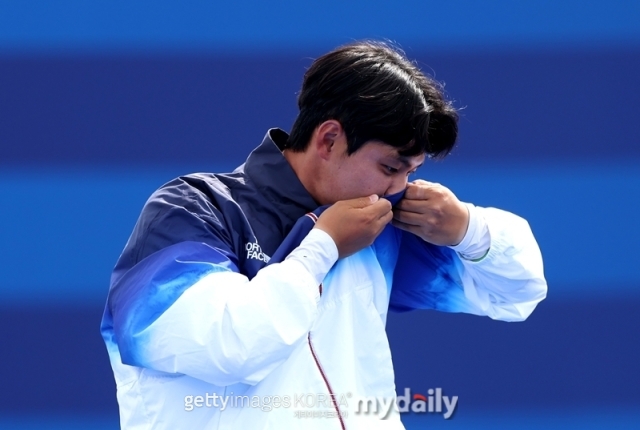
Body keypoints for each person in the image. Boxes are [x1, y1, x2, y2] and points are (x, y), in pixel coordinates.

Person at [101, 41, 546, 429]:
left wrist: (468, 229)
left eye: (412, 173)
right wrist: (322, 248)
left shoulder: (381, 221)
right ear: (329, 139)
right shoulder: (195, 209)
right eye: (390, 168)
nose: (398, 189)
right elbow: (231, 347)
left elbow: (517, 293)